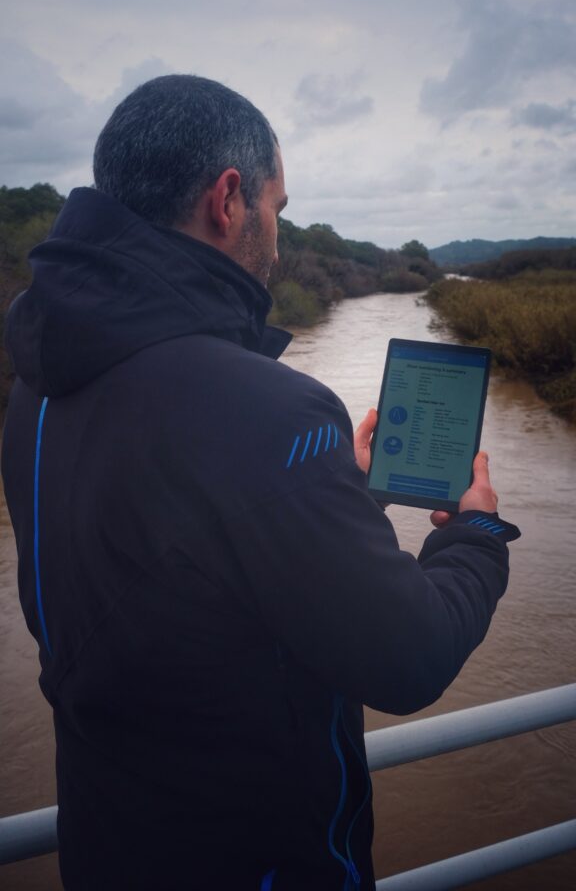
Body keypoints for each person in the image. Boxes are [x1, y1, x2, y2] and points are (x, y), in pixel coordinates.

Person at [1, 75, 520, 891]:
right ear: (228, 200)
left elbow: (174, 555)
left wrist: (333, 489)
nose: (276, 236)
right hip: (261, 866)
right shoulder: (270, 411)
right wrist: (478, 535)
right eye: (277, 205)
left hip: (108, 848)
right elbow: (410, 655)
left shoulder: (36, 381)